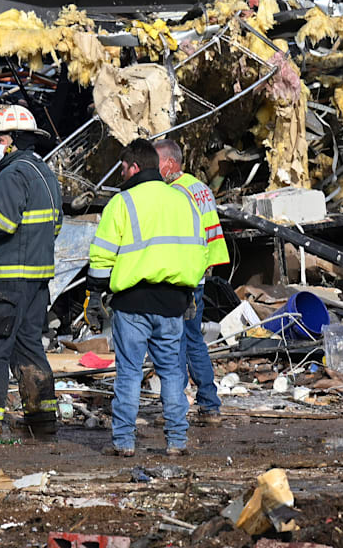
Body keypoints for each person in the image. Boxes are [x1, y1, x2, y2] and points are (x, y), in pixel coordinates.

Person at [87, 138, 208, 458]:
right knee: (171, 373)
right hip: (173, 302)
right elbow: (200, 252)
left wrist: (94, 297)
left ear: (135, 167)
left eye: (123, 168)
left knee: (129, 373)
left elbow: (101, 258)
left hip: (132, 303)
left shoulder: (122, 203)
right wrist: (189, 291)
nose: (121, 174)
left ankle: (124, 442)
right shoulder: (185, 202)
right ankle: (177, 441)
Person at [0, 104, 63, 438]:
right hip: (37, 279)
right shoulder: (44, 173)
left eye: (0, 137)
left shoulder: (12, 173)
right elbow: (56, 225)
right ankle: (42, 416)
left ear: (15, 140)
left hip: (7, 277)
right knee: (28, 344)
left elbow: (2, 222)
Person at [154, 139, 228, 426]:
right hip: (198, 272)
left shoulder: (175, 193)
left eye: (156, 163)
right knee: (193, 339)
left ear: (171, 163)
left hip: (182, 275)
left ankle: (177, 405)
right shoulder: (199, 187)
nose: (153, 169)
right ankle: (210, 405)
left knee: (176, 341)